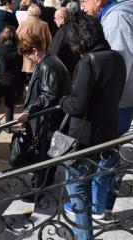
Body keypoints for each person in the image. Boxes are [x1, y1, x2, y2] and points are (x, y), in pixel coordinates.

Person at [60, 14, 126, 239]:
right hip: (107, 134)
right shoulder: (117, 58)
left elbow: (77, 105)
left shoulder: (88, 61)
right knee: (87, 190)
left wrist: (62, 101)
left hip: (82, 140)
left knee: (79, 195)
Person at [71, 0, 133, 219]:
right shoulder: (117, 15)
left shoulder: (116, 19)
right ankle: (101, 203)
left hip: (119, 102)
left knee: (106, 155)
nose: (82, 5)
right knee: (109, 153)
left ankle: (97, 206)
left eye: (85, 0)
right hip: (121, 101)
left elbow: (117, 67)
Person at [17, 33, 71, 194]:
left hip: (50, 120)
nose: (28, 59)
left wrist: (29, 110)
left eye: (28, 55)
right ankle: (41, 184)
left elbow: (49, 95)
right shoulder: (49, 61)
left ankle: (38, 188)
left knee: (44, 154)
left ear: (35, 50)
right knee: (46, 153)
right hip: (51, 119)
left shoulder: (48, 65)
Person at [17, 3, 52, 82]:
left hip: (27, 54)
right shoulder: (44, 24)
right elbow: (49, 39)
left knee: (29, 75)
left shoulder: (23, 23)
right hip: (40, 54)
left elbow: (17, 37)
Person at [0, 25, 23, 123]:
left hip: (0, 78)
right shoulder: (18, 50)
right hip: (13, 78)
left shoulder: (0, 49)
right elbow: (20, 66)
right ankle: (8, 123)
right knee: (10, 103)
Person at [49, 7, 80, 77]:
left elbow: (54, 52)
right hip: (76, 67)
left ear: (62, 19)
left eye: (55, 18)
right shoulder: (76, 28)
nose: (54, 20)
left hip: (64, 69)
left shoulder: (62, 32)